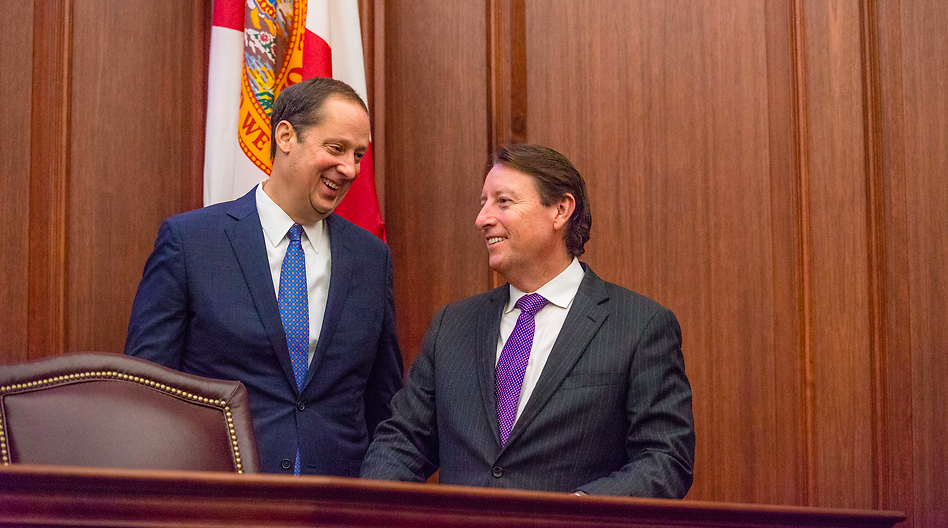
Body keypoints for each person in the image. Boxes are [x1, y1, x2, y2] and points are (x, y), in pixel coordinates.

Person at [361, 144, 694, 497]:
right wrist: (377, 508)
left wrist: (576, 512)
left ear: (561, 210)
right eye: (483, 203)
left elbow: (665, 459)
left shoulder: (639, 326)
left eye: (503, 202)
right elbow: (402, 443)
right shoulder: (453, 325)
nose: (483, 219)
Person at [126, 77, 403, 476]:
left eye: (358, 155)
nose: (350, 168)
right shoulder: (191, 242)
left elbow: (383, 400)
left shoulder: (371, 258)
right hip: (223, 497)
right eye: (336, 148)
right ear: (286, 136)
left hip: (336, 502)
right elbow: (146, 390)